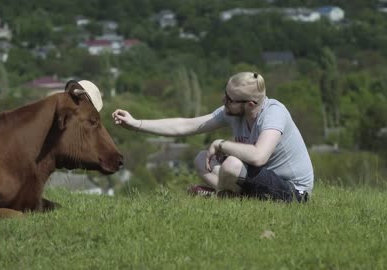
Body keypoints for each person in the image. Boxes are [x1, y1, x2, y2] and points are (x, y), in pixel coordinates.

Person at [112, 72, 313, 202]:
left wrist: (221, 144)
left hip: (293, 193)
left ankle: (224, 199)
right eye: (225, 94)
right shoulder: (234, 111)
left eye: (230, 99)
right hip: (260, 183)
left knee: (232, 164)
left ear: (250, 104)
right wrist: (136, 124)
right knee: (202, 158)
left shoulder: (273, 113)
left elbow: (259, 156)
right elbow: (185, 125)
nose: (223, 101)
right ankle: (232, 198)